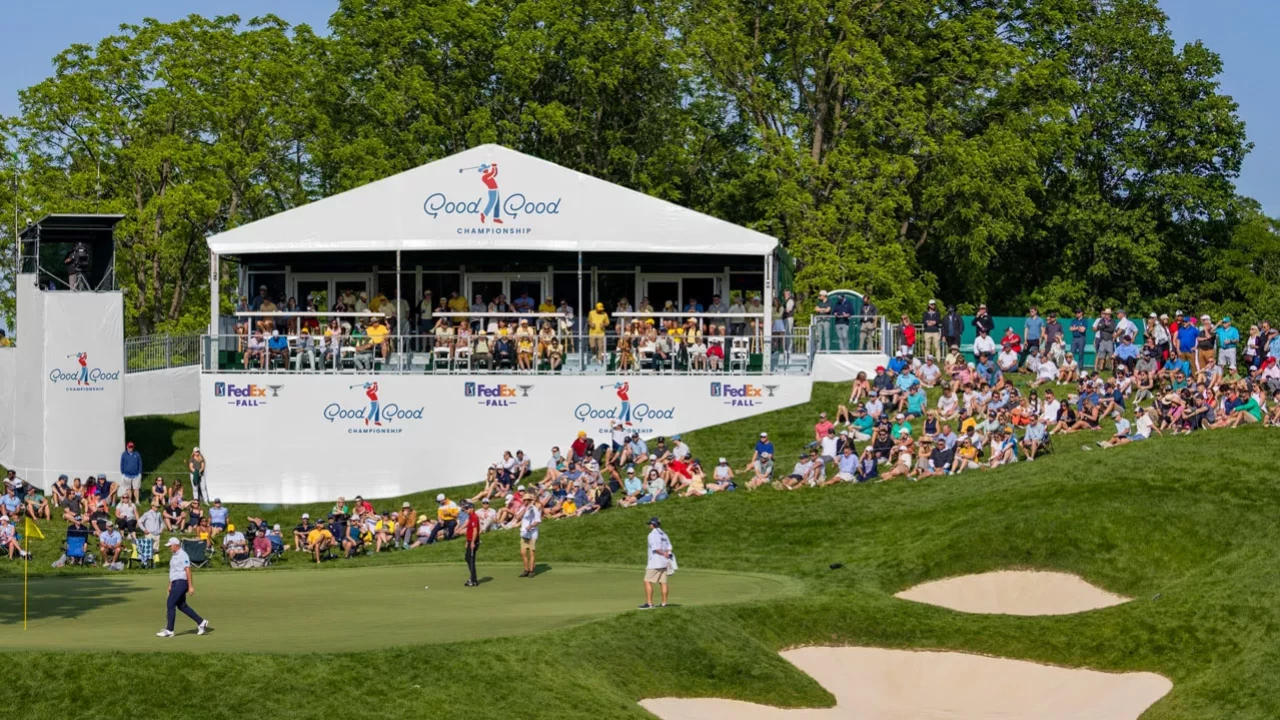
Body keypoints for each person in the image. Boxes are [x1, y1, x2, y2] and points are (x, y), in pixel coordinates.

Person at [157, 537, 209, 638]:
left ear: (175, 545)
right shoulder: (174, 556)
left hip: (181, 582)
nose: (169, 548)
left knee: (170, 604)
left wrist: (190, 586)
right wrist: (170, 584)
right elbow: (173, 572)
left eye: (170, 546)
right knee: (182, 606)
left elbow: (188, 570)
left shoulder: (183, 555)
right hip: (175, 583)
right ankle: (201, 622)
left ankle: (169, 630)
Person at [639, 516, 673, 609]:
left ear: (653, 524)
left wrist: (663, 554)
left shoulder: (652, 535)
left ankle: (649, 603)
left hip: (655, 562)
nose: (649, 525)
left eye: (650, 524)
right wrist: (667, 554)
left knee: (647, 581)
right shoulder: (664, 534)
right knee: (663, 582)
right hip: (664, 562)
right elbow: (669, 547)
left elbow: (655, 549)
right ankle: (664, 603)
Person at [518, 494, 541, 578]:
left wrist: (531, 526)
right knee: (523, 553)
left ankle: (531, 571)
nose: (524, 501)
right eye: (524, 500)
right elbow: (517, 517)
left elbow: (538, 521)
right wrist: (523, 511)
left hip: (532, 534)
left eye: (526, 500)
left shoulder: (534, 509)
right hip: (524, 533)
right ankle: (526, 570)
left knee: (532, 552)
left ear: (529, 500)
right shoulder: (523, 508)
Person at [462, 500, 482, 587]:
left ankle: (474, 580)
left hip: (474, 541)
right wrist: (467, 541)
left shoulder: (474, 517)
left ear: (472, 508)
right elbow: (469, 530)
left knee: (471, 560)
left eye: (467, 508)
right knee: (467, 558)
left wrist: (473, 542)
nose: (466, 510)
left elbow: (475, 531)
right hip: (470, 541)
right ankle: (473, 578)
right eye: (465, 509)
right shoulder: (470, 516)